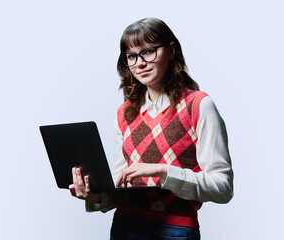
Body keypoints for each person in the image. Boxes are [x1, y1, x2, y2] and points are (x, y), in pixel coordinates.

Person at [69, 17, 233, 240]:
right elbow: (121, 186)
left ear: (171, 50)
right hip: (125, 226)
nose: (140, 63)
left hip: (175, 230)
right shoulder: (125, 113)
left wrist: (164, 172)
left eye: (148, 51)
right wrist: (93, 195)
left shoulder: (198, 105)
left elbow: (223, 187)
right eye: (131, 56)